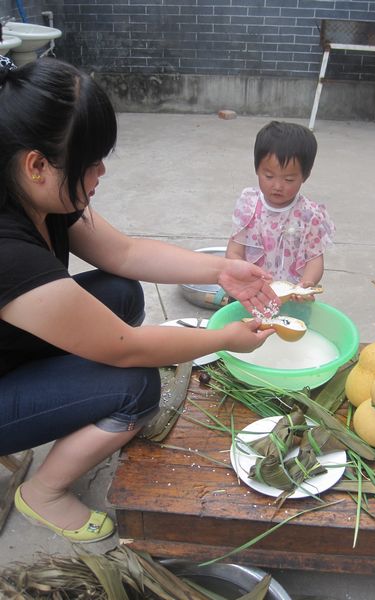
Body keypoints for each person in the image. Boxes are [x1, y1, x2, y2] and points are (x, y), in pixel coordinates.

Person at [0, 57, 279, 543]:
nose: (101, 171)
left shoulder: (37, 194)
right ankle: (43, 492)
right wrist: (223, 339)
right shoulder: (8, 250)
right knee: (136, 385)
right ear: (37, 165)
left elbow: (126, 254)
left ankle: (72, 404)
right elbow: (124, 348)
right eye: (90, 161)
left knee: (120, 292)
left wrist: (220, 269)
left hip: (12, 351)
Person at [226, 121, 335, 299]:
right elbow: (234, 251)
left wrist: (306, 283)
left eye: (289, 179)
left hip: (292, 297)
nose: (277, 186)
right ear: (257, 169)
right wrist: (243, 276)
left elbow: (314, 260)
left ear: (305, 176)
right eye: (268, 176)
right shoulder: (249, 206)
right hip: (252, 293)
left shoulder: (309, 215)